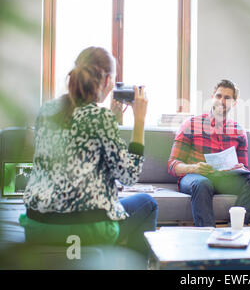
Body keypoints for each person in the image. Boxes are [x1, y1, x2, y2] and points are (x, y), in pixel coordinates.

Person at [20, 47, 157, 256]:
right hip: (84, 229)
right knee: (148, 203)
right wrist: (139, 121)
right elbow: (129, 176)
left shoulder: (46, 111)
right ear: (107, 79)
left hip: (37, 226)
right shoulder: (100, 118)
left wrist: (111, 120)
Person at [168, 79, 250, 227]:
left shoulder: (239, 131)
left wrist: (238, 168)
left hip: (225, 178)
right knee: (202, 183)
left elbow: (245, 167)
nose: (222, 101)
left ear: (234, 102)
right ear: (212, 97)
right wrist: (193, 168)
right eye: (219, 96)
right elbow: (172, 165)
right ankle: (207, 232)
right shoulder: (191, 124)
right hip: (195, 177)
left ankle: (234, 228)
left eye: (227, 98)